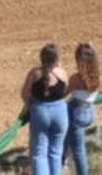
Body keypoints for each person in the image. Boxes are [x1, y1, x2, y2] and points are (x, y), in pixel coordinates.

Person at [22, 43, 70, 175]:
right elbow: (66, 91)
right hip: (60, 113)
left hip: (40, 111)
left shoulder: (34, 73)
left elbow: (24, 94)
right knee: (56, 152)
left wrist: (32, 104)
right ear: (56, 59)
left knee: (39, 153)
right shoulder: (62, 73)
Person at [66, 42, 100, 175]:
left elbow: (63, 93)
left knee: (79, 152)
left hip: (77, 113)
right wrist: (92, 50)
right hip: (89, 112)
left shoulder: (76, 78)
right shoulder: (97, 77)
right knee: (76, 146)